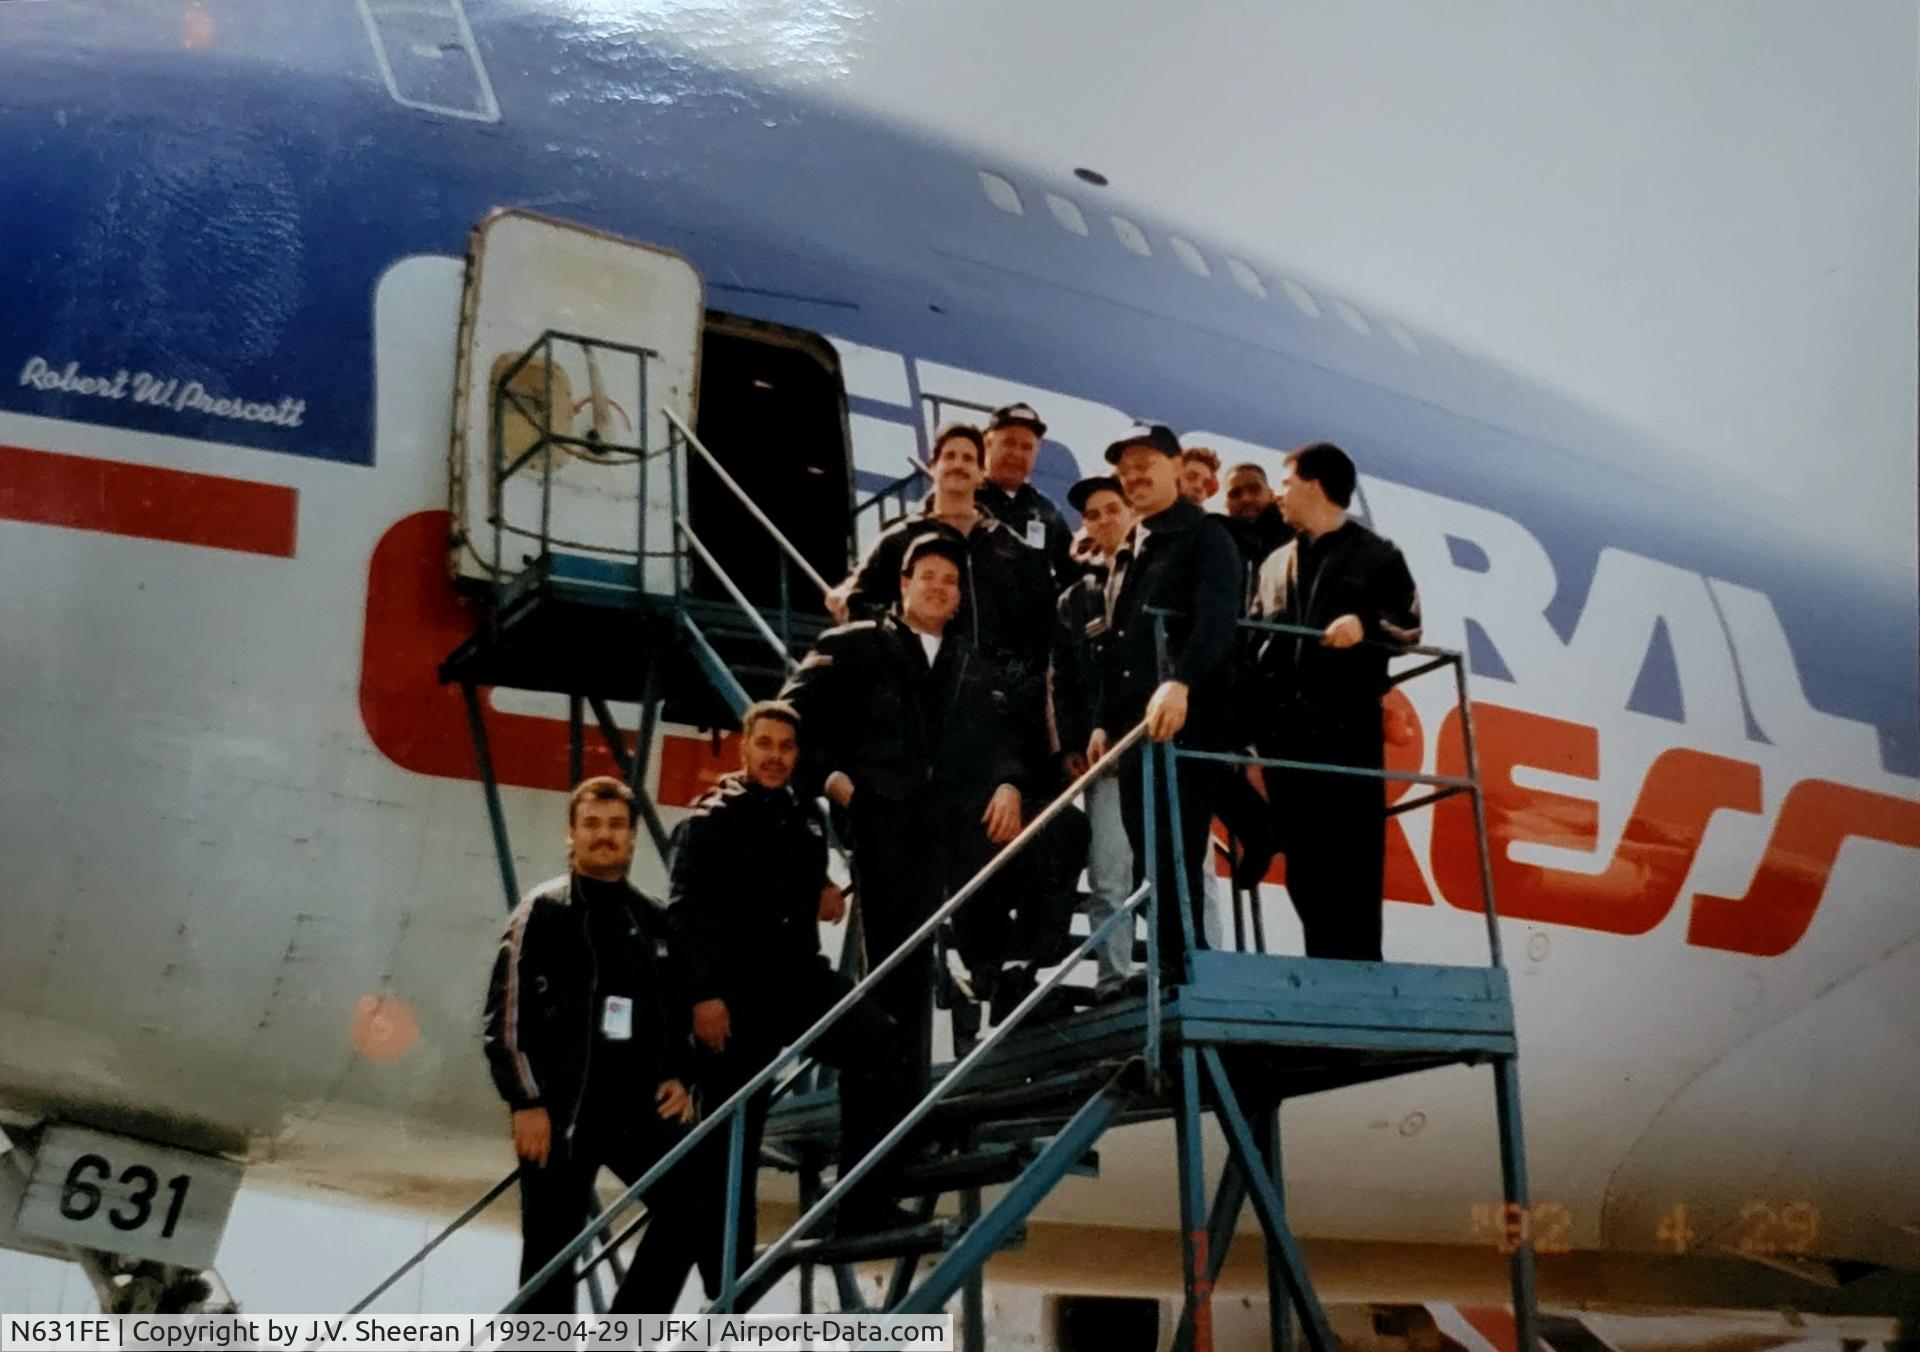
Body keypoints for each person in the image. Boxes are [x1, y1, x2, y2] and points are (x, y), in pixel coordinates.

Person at [780, 534, 1030, 1202]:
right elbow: (788, 722)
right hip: (887, 835)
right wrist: (834, 781)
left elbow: (1005, 741)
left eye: (951, 580)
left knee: (922, 994)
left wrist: (1008, 782)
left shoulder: (973, 664)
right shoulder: (853, 646)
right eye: (928, 577)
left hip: (952, 843)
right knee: (889, 997)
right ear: (904, 585)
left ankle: (1000, 978)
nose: (940, 588)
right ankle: (872, 1173)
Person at [659, 700, 916, 1280]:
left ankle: (860, 1201)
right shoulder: (709, 820)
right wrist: (703, 998)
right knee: (735, 1144)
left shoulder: (802, 813)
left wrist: (823, 887)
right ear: (744, 747)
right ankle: (728, 1285)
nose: (775, 757)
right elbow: (685, 917)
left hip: (798, 981)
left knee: (879, 1041)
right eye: (765, 745)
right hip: (734, 997)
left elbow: (793, 865)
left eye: (786, 748)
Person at [481, 777, 702, 1314]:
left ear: (630, 839)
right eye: (593, 826)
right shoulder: (544, 912)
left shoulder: (651, 920)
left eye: (617, 826)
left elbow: (677, 1013)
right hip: (561, 1113)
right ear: (572, 836)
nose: (605, 836)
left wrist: (682, 1076)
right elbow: (507, 1017)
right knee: (550, 1265)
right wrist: (526, 1101)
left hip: (632, 1111)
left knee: (693, 1205)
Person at [1252, 442, 1422, 962]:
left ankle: (1359, 985)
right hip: (1286, 736)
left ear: (1315, 485)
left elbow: (1410, 627)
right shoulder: (1274, 564)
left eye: (1286, 482)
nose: (1278, 494)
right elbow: (1255, 638)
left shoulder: (1379, 555)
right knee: (1305, 869)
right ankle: (1326, 977)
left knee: (1353, 865)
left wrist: (1364, 625)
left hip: (1346, 734)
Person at [1085, 424, 1243, 982]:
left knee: (1177, 844)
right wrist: (1105, 721)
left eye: (1146, 463)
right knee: (1147, 850)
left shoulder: (1207, 536)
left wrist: (1183, 682)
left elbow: (1217, 619)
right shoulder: (1129, 547)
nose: (1134, 476)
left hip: (1187, 718)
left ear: (1177, 467)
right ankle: (1175, 960)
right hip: (1135, 727)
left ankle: (1185, 963)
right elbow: (1117, 640)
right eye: (1125, 468)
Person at [829, 423, 1054, 774]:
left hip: (993, 713)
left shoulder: (1012, 548)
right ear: (933, 466)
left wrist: (1012, 684)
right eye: (949, 456)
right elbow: (856, 603)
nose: (958, 464)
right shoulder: (900, 539)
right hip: (921, 709)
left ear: (981, 473)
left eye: (968, 458)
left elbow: (1039, 630)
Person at [1054, 475, 1141, 999]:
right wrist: (1072, 742)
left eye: (1114, 509)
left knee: (1189, 873)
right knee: (1108, 871)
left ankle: (1200, 964)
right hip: (1105, 757)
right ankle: (1114, 977)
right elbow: (1064, 681)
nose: (1105, 520)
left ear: (1133, 513)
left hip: (1162, 749)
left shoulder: (1159, 578)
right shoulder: (1075, 600)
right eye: (1094, 515)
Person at [978, 402, 1075, 584]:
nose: (1016, 453)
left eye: (1026, 447)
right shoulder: (964, 501)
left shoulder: (1047, 512)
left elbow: (1073, 577)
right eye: (1009, 443)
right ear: (987, 445)